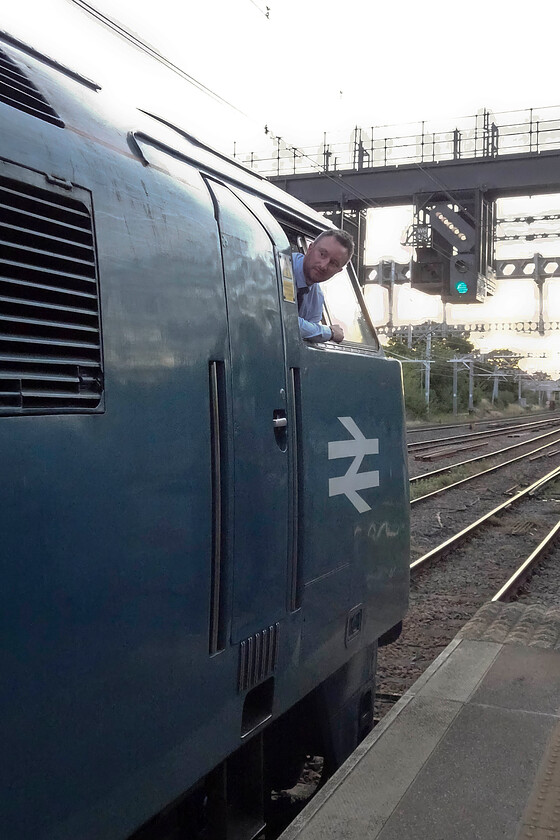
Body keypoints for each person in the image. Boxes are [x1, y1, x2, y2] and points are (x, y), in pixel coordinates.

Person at [292, 229, 354, 343]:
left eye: (333, 263)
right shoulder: (276, 268)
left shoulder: (317, 297)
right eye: (322, 254)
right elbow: (281, 320)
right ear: (310, 248)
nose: (323, 266)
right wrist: (330, 332)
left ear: (338, 271)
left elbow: (308, 338)